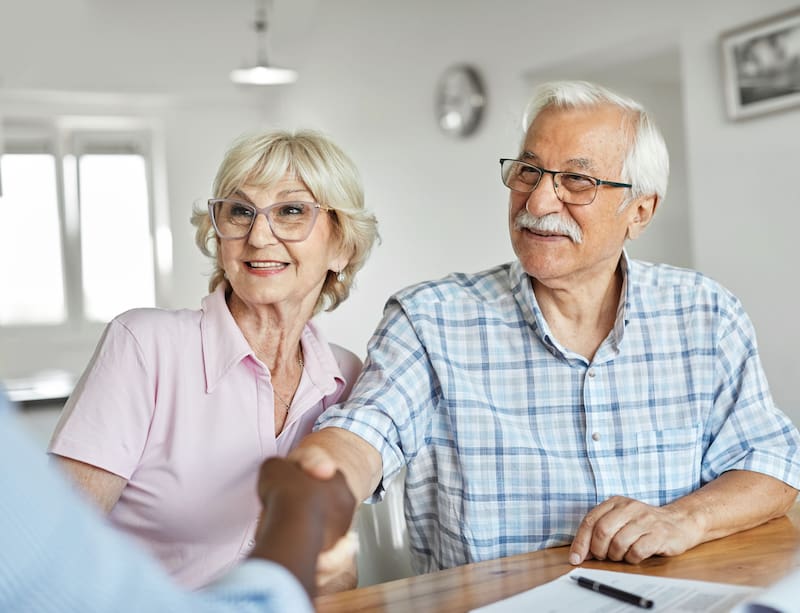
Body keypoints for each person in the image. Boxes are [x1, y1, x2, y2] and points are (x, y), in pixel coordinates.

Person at [289, 80, 800, 575]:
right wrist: (314, 487)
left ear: (639, 212)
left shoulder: (706, 314)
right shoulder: (431, 320)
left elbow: (774, 464)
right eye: (528, 172)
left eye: (577, 181)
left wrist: (683, 521)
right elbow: (362, 436)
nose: (536, 204)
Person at [47, 129, 379, 590]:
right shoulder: (145, 345)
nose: (259, 235)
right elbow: (54, 547)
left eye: (291, 211)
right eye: (240, 211)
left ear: (342, 246)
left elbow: (337, 572)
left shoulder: (346, 375)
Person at [0, 389, 355, 612]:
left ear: (340, 262)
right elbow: (65, 576)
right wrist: (298, 513)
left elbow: (341, 582)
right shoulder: (142, 340)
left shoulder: (341, 373)